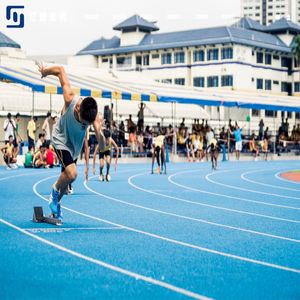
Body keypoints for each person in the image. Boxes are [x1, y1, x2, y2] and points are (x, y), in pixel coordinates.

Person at [38, 62, 105, 222]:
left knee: (66, 176)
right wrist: (46, 71)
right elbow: (61, 70)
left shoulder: (92, 115)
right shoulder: (70, 99)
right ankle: (54, 190)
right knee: (72, 174)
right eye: (83, 122)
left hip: (74, 146)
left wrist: (98, 131)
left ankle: (56, 203)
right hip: (60, 139)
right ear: (78, 109)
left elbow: (102, 147)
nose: (84, 125)